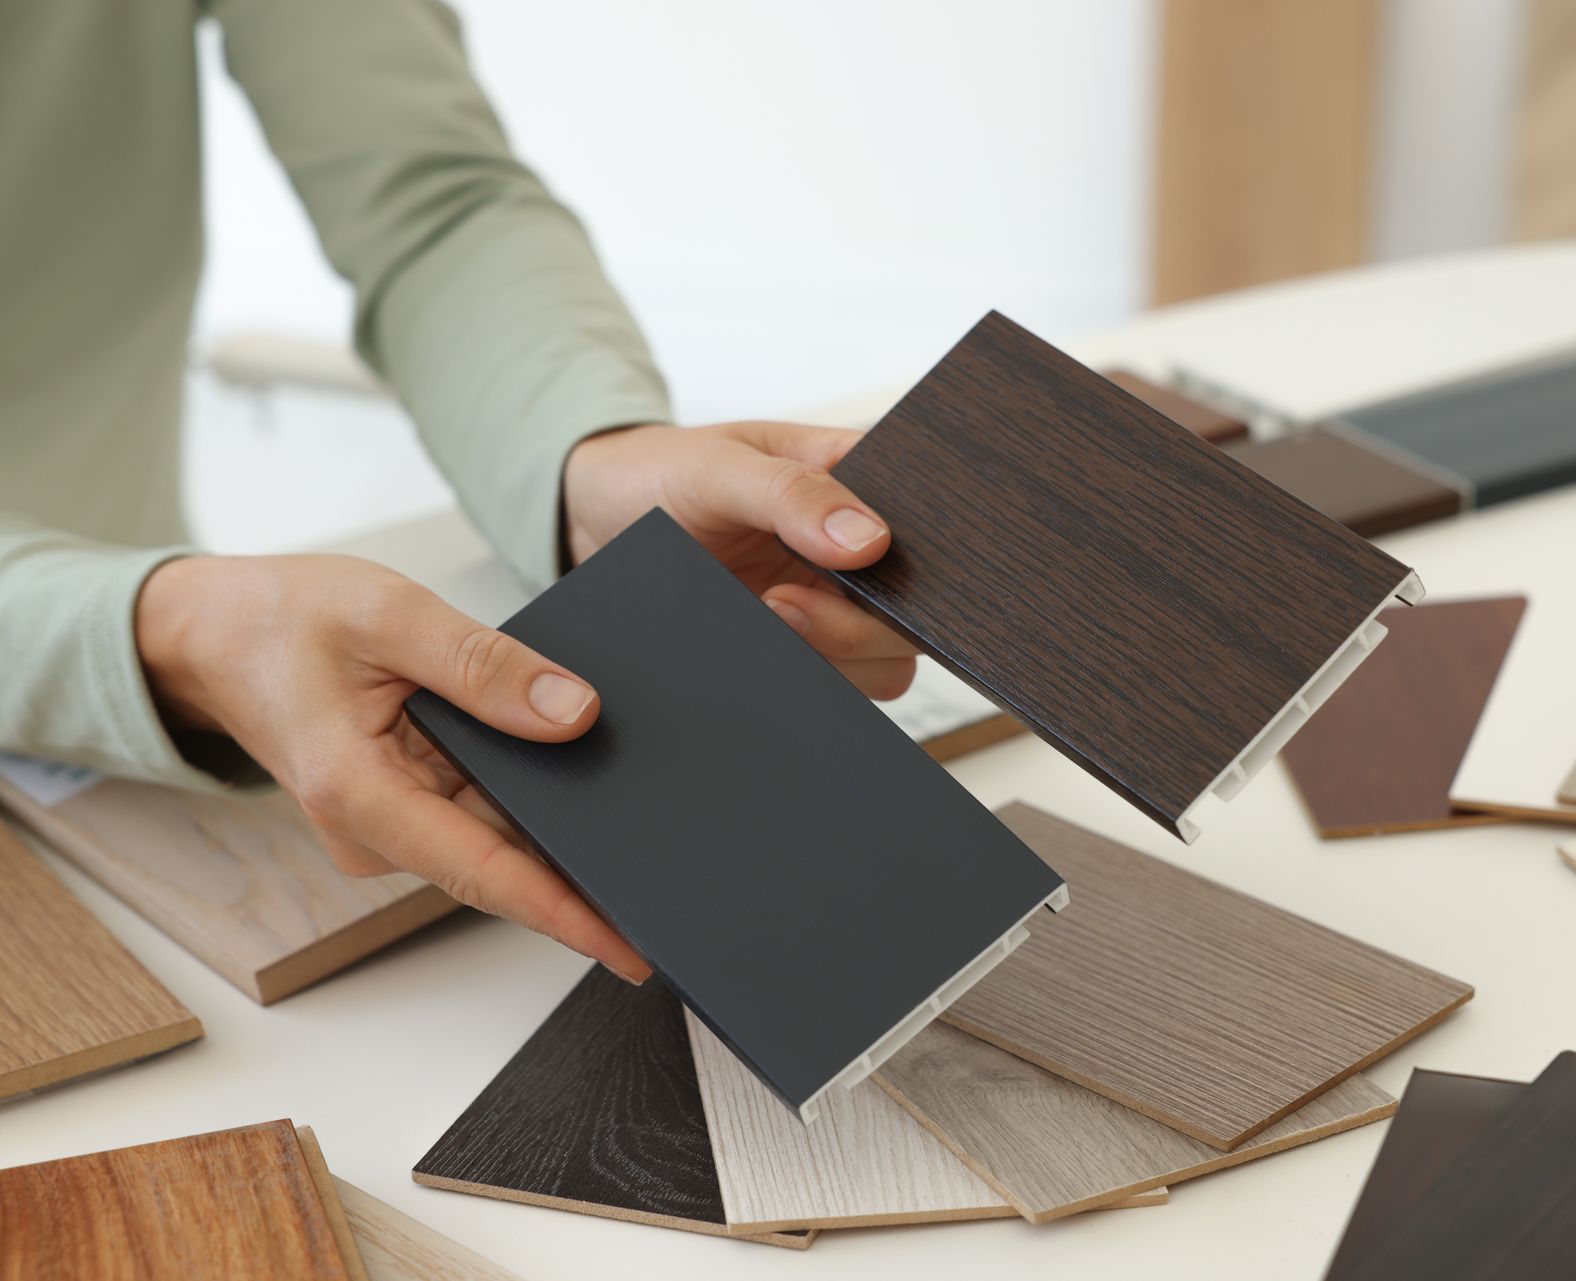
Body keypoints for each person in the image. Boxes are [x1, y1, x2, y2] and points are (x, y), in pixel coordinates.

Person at [0, 1, 918, 985]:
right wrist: (155, 634)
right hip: (128, 670)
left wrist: (580, 456)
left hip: (142, 717)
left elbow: (430, 198)